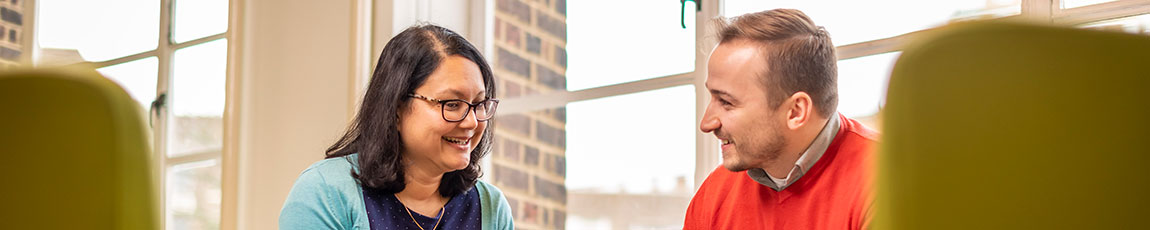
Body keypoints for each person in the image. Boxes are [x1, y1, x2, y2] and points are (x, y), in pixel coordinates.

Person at [279, 24, 514, 230]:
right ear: (396, 108)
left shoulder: (490, 208)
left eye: (479, 104)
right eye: (452, 104)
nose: (472, 122)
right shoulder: (326, 191)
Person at [683, 9, 879, 230]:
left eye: (726, 102)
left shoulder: (886, 181)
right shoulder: (714, 195)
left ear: (796, 111)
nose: (706, 123)